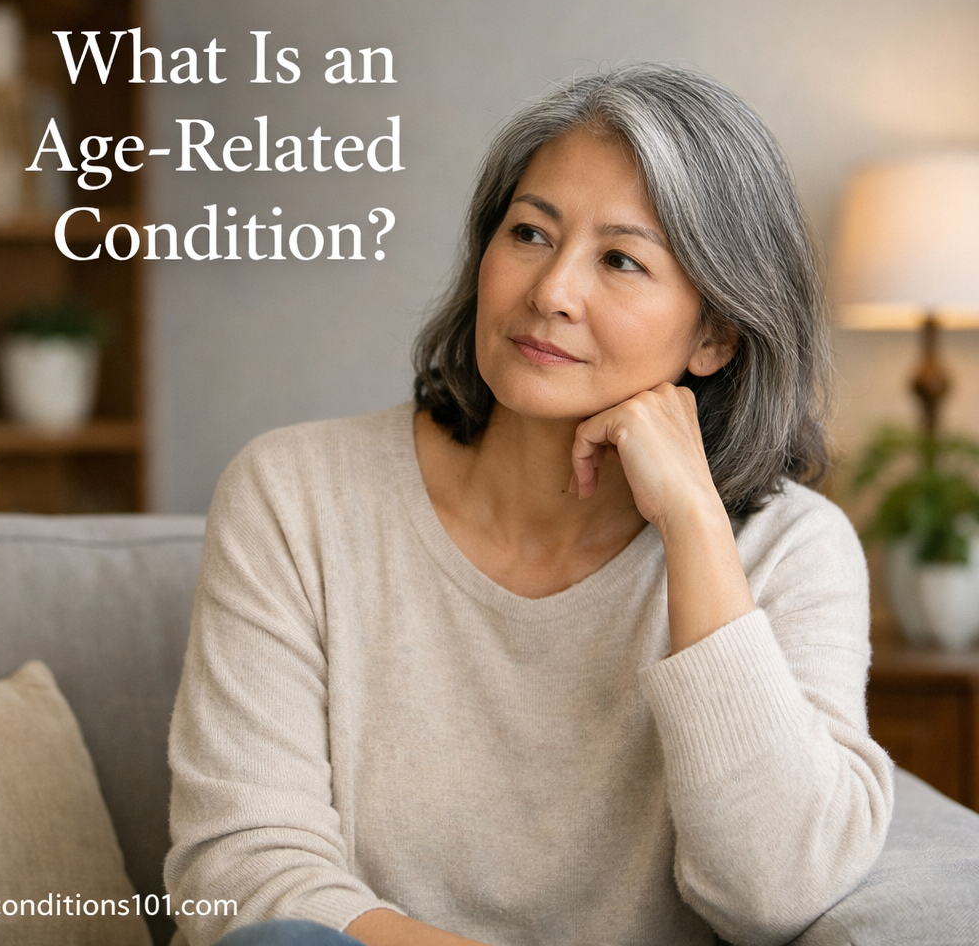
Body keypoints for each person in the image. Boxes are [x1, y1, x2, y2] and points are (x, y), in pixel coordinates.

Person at [166, 63, 893, 946]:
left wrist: (699, 527)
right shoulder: (294, 494)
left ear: (717, 334)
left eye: (621, 259)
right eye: (530, 234)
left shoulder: (794, 550)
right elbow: (242, 869)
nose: (550, 291)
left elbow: (776, 893)